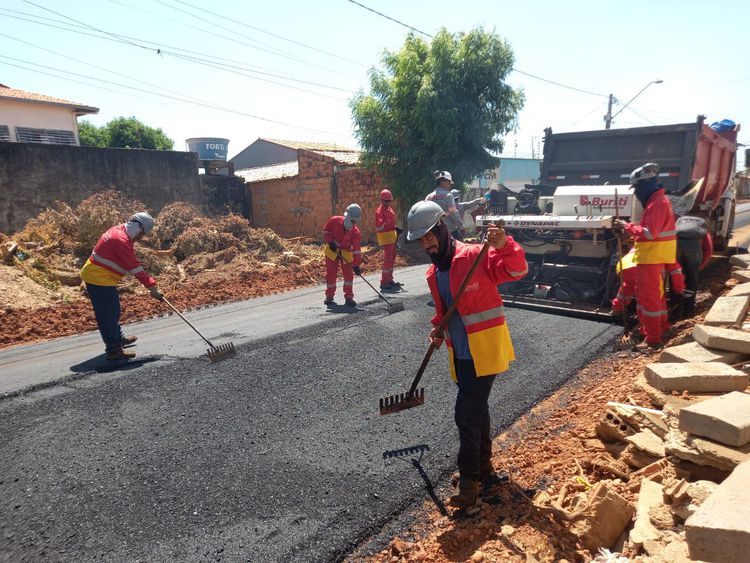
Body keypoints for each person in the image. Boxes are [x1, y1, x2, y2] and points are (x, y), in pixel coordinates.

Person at [406, 200, 528, 509]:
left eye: (430, 234)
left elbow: (516, 270)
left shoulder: (475, 256)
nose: (427, 243)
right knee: (477, 410)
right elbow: (445, 311)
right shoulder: (434, 274)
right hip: (459, 352)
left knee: (465, 414)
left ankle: (470, 483)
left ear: (442, 228)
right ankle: (485, 468)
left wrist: (505, 245)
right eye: (421, 239)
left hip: (484, 350)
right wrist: (437, 328)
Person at [80, 212, 163, 361]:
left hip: (100, 277)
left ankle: (118, 339)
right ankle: (113, 350)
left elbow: (122, 260)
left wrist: (134, 266)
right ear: (138, 227)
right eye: (142, 233)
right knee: (109, 313)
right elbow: (134, 268)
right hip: (97, 278)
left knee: (113, 311)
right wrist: (152, 288)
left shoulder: (119, 231)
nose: (141, 237)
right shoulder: (121, 239)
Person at [614, 163, 677, 350]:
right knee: (657, 298)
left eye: (636, 189)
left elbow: (650, 233)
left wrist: (626, 227)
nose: (636, 193)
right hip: (655, 258)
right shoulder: (658, 201)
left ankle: (652, 340)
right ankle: (661, 328)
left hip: (651, 259)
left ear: (643, 185)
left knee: (648, 300)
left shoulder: (657, 203)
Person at [323, 203, 362, 307]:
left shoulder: (355, 232)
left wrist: (356, 265)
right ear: (348, 216)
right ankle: (329, 296)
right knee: (331, 274)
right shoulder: (334, 220)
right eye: (352, 220)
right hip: (332, 250)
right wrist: (330, 242)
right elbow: (326, 230)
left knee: (348, 275)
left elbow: (357, 250)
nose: (353, 223)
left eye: (355, 221)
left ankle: (349, 298)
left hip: (346, 252)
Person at [673, 215, 713, 316]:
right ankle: (688, 308)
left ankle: (674, 306)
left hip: (676, 248)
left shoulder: (678, 225)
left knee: (676, 276)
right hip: (694, 251)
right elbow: (708, 248)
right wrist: (700, 266)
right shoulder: (701, 228)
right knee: (692, 279)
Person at [375, 189, 403, 291]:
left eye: (389, 201)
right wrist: (393, 227)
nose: (387, 203)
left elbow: (390, 223)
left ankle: (389, 279)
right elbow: (381, 226)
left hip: (392, 236)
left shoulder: (389, 210)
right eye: (386, 201)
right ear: (382, 200)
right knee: (387, 260)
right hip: (386, 237)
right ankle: (384, 281)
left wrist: (395, 229)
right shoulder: (380, 211)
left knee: (392, 259)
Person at [427, 170, 465, 241]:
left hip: (434, 231)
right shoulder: (448, 195)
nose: (450, 185)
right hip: (450, 230)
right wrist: (461, 226)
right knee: (459, 248)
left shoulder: (429, 197)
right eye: (449, 183)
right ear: (443, 182)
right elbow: (453, 212)